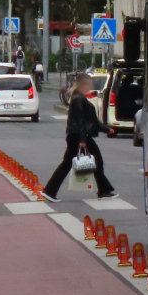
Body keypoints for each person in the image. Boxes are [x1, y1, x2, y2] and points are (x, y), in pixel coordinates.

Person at [40, 72, 118, 203]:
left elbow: (91, 121)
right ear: (83, 84)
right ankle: (50, 191)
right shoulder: (78, 99)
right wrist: (82, 140)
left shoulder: (80, 97)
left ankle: (103, 190)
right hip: (78, 136)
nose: (91, 86)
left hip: (78, 136)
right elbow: (81, 121)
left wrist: (107, 128)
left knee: (75, 163)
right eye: (90, 83)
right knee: (91, 161)